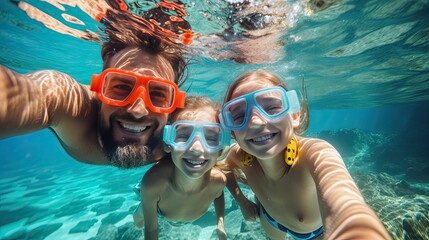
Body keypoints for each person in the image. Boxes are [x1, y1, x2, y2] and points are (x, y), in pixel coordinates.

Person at [0, 9, 189, 169]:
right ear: (99, 88)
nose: (138, 111)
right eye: (121, 87)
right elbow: (38, 94)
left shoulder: (185, 129)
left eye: (157, 94)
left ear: (174, 105)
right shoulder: (69, 103)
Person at [218, 69, 391, 240]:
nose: (255, 121)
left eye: (271, 108)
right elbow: (222, 169)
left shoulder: (315, 153)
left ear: (294, 115)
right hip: (270, 220)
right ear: (233, 132)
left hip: (316, 233)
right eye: (239, 116)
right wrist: (242, 201)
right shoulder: (239, 156)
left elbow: (347, 207)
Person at [132, 96, 229, 239]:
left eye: (210, 138)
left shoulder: (218, 181)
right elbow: (151, 231)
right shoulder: (153, 184)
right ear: (167, 143)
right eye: (183, 136)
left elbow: (219, 196)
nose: (196, 148)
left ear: (220, 149)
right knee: (139, 220)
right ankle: (142, 207)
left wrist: (220, 224)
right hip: (159, 209)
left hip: (177, 210)